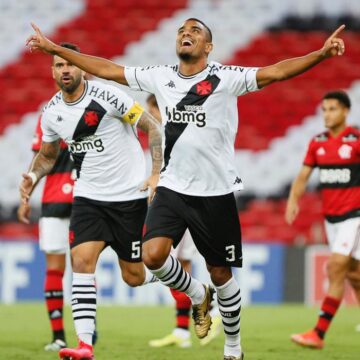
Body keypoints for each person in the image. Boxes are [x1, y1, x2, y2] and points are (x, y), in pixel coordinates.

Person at [27, 19, 346, 360]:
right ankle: (196, 294)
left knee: (221, 273)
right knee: (152, 255)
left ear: (208, 47)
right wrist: (56, 49)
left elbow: (277, 72)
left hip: (216, 191)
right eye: (181, 30)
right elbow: (108, 69)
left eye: (195, 31)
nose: (186, 34)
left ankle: (233, 347)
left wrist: (321, 54)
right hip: (172, 187)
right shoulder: (160, 76)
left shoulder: (227, 77)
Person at [19, 42, 162, 360]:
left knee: (134, 277)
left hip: (127, 197)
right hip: (88, 197)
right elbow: (47, 156)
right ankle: (85, 346)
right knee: (81, 264)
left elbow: (152, 127)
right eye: (58, 65)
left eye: (69, 63)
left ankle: (188, 286)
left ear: (81, 67)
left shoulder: (110, 96)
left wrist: (155, 174)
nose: (65, 70)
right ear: (52, 71)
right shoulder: (52, 112)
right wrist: (31, 177)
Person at [145, 94, 222, 348]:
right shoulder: (165, 134)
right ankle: (183, 329)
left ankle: (210, 310)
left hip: (183, 204)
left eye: (151, 110)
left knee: (173, 264)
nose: (149, 116)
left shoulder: (175, 133)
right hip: (180, 203)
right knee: (179, 265)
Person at [285, 90, 360, 349]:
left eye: (332, 109)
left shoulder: (357, 139)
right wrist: (293, 200)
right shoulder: (317, 142)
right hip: (332, 221)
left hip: (355, 217)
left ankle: (318, 333)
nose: (327, 114)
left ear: (345, 111)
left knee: (335, 267)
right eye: (324, 110)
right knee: (354, 273)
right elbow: (303, 175)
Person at [18, 113, 75, 351]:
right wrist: (26, 196)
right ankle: (68, 333)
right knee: (81, 267)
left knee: (74, 267)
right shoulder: (51, 114)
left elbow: (39, 157)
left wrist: (26, 197)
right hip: (73, 199)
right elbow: (40, 158)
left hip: (81, 199)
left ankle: (65, 334)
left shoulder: (50, 114)